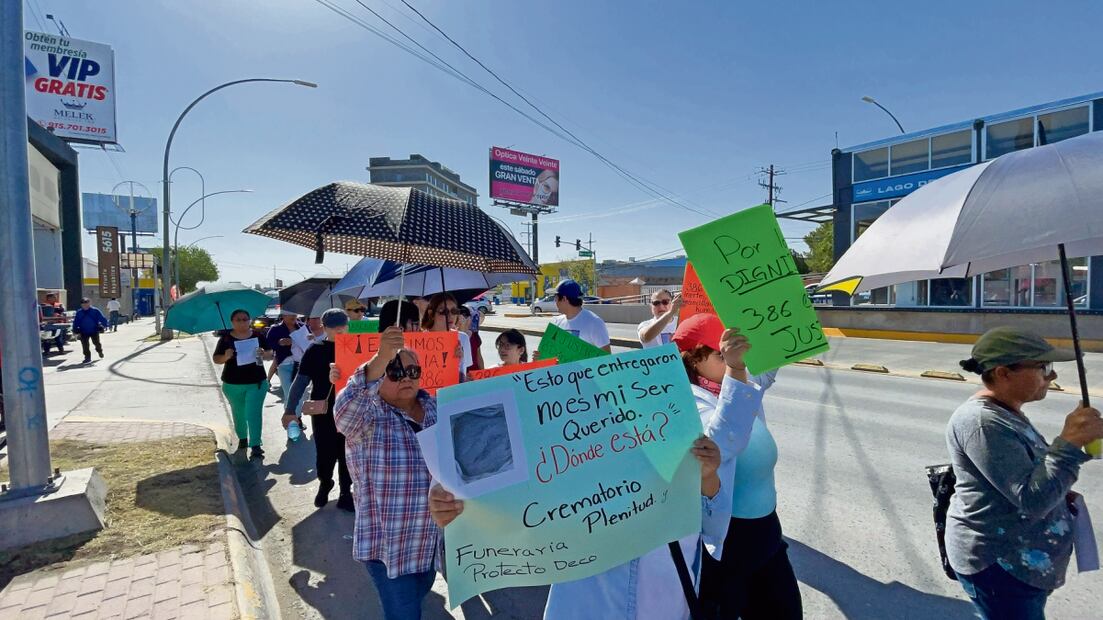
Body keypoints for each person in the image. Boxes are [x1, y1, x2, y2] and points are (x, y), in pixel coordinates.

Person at [947, 327, 1103, 619]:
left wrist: (1064, 482)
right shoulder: (982, 422)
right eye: (1043, 367)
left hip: (1023, 563)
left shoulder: (1006, 411)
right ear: (1003, 373)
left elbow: (1030, 472)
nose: (1052, 375)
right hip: (1001, 567)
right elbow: (1032, 499)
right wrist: (1069, 443)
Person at [674, 314, 801, 619]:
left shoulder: (733, 384)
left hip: (767, 533)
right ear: (694, 359)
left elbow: (767, 366)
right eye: (721, 355)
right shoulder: (689, 401)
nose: (732, 358)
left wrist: (779, 314)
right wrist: (735, 368)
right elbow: (722, 442)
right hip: (729, 543)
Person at [332, 326, 439, 619]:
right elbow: (345, 410)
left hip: (431, 542)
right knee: (405, 613)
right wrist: (381, 358)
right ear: (379, 378)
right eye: (395, 372)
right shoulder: (367, 418)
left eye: (412, 371)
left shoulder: (437, 408)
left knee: (417, 597)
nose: (406, 378)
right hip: (389, 549)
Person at [284, 309, 353, 511]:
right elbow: (300, 382)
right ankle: (325, 483)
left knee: (348, 453)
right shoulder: (315, 350)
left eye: (342, 325)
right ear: (324, 327)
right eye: (333, 326)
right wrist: (290, 410)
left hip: (351, 409)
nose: (339, 329)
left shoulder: (355, 347)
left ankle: (346, 492)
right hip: (324, 411)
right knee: (325, 452)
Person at [212, 309, 274, 459]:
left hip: (256, 382)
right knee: (239, 413)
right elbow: (216, 359)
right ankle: (243, 438)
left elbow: (270, 353)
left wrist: (263, 353)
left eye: (245, 319)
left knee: (254, 413)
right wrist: (225, 356)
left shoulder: (258, 336)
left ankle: (256, 444)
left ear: (250, 320)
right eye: (238, 320)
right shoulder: (226, 339)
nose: (242, 322)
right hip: (233, 384)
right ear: (232, 322)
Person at [420, 293, 473, 378]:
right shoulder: (419, 341)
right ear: (431, 314)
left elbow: (465, 373)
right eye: (444, 312)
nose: (450, 316)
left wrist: (459, 361)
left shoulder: (463, 338)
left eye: (454, 311)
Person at [550, 279, 611, 352]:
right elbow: (552, 352)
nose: (555, 302)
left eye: (556, 298)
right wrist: (541, 356)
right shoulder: (557, 322)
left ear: (564, 299)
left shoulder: (594, 322)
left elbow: (606, 356)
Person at [266, 311, 304, 406]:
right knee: (289, 394)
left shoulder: (303, 327)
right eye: (289, 314)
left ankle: (295, 415)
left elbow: (309, 344)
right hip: (284, 365)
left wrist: (309, 338)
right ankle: (290, 415)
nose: (293, 316)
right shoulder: (275, 329)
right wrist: (279, 343)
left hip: (301, 366)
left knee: (300, 395)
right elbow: (268, 345)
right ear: (283, 315)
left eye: (294, 313)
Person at [72, 298, 109, 364]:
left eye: (86, 303)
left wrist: (105, 325)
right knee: (85, 345)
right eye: (83, 304)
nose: (85, 305)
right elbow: (76, 321)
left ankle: (99, 351)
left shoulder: (95, 311)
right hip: (83, 331)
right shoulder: (79, 312)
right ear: (81, 305)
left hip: (94, 330)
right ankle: (87, 357)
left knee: (96, 343)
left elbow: (102, 318)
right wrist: (74, 329)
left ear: (89, 303)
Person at [457, 306, 484, 372]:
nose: (464, 319)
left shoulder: (474, 335)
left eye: (466, 316)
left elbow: (479, 356)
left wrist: (483, 372)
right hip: (461, 374)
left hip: (474, 373)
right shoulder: (453, 337)